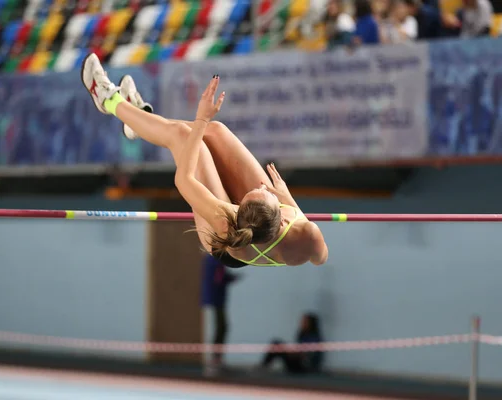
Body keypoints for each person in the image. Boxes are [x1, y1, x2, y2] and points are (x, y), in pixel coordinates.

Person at [81, 53, 328, 268]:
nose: (263, 186)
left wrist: (201, 118)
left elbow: (184, 179)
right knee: (217, 131)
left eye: (258, 191)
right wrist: (288, 200)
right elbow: (321, 259)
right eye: (260, 191)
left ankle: (107, 99)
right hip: (260, 228)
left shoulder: (224, 219)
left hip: (222, 246)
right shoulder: (306, 231)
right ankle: (139, 121)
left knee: (184, 136)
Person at [201, 254, 240, 375]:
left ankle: (215, 361)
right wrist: (230, 278)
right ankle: (214, 362)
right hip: (215, 300)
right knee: (221, 328)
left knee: (221, 328)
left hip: (215, 299)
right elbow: (218, 279)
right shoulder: (216, 259)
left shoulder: (211, 259)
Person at [260, 312, 324, 374]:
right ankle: (264, 366)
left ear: (311, 323)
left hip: (306, 367)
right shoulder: (302, 334)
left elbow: (305, 355)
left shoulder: (314, 338)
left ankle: (263, 367)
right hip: (299, 362)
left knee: (277, 345)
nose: (302, 323)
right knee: (276, 344)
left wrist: (290, 352)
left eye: (305, 321)